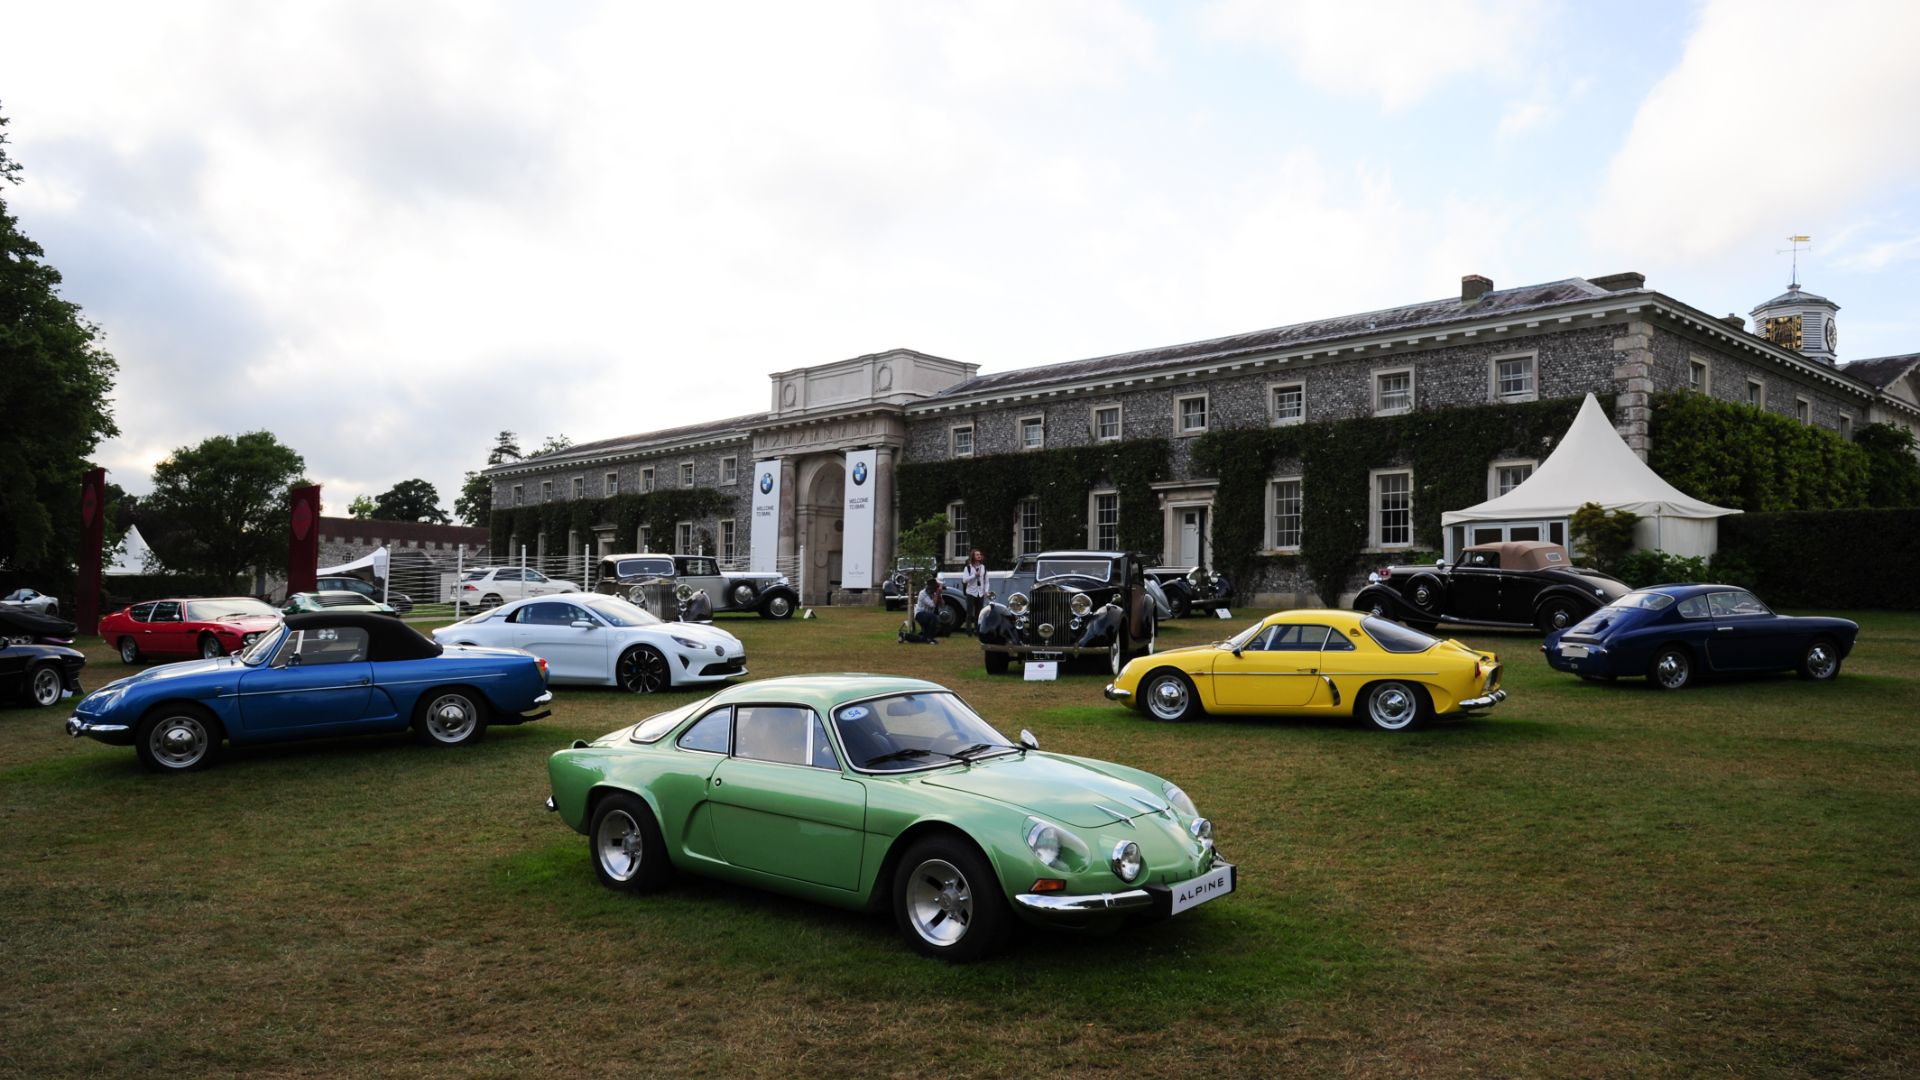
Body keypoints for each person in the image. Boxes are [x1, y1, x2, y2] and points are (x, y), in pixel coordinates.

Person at [906, 577, 944, 643]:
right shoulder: (923, 593)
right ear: (930, 587)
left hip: (929, 616)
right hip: (920, 614)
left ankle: (906, 636)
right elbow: (932, 605)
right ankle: (930, 638)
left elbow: (942, 605)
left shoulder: (934, 593)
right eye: (935, 587)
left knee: (925, 637)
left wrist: (939, 595)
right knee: (934, 617)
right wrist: (937, 594)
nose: (936, 589)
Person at [960, 548, 988, 630]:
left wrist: (986, 591)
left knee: (979, 613)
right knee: (969, 613)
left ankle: (977, 629)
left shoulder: (983, 567)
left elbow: (986, 581)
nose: (979, 556)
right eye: (977, 554)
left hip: (980, 593)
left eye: (980, 554)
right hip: (971, 593)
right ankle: (968, 631)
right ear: (973, 556)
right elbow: (964, 580)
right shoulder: (968, 568)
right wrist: (974, 575)